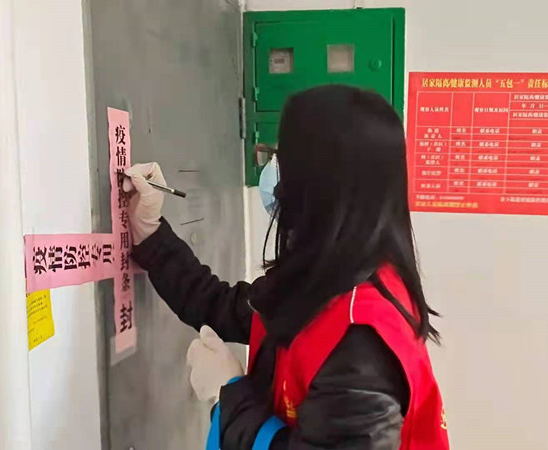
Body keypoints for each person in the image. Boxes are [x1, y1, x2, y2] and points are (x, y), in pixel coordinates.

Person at [125, 85, 449, 449]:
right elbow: (219, 305)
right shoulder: (326, 279)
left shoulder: (361, 343)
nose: (274, 177)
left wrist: (230, 396)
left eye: (282, 159)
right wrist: (150, 233)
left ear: (321, 184)